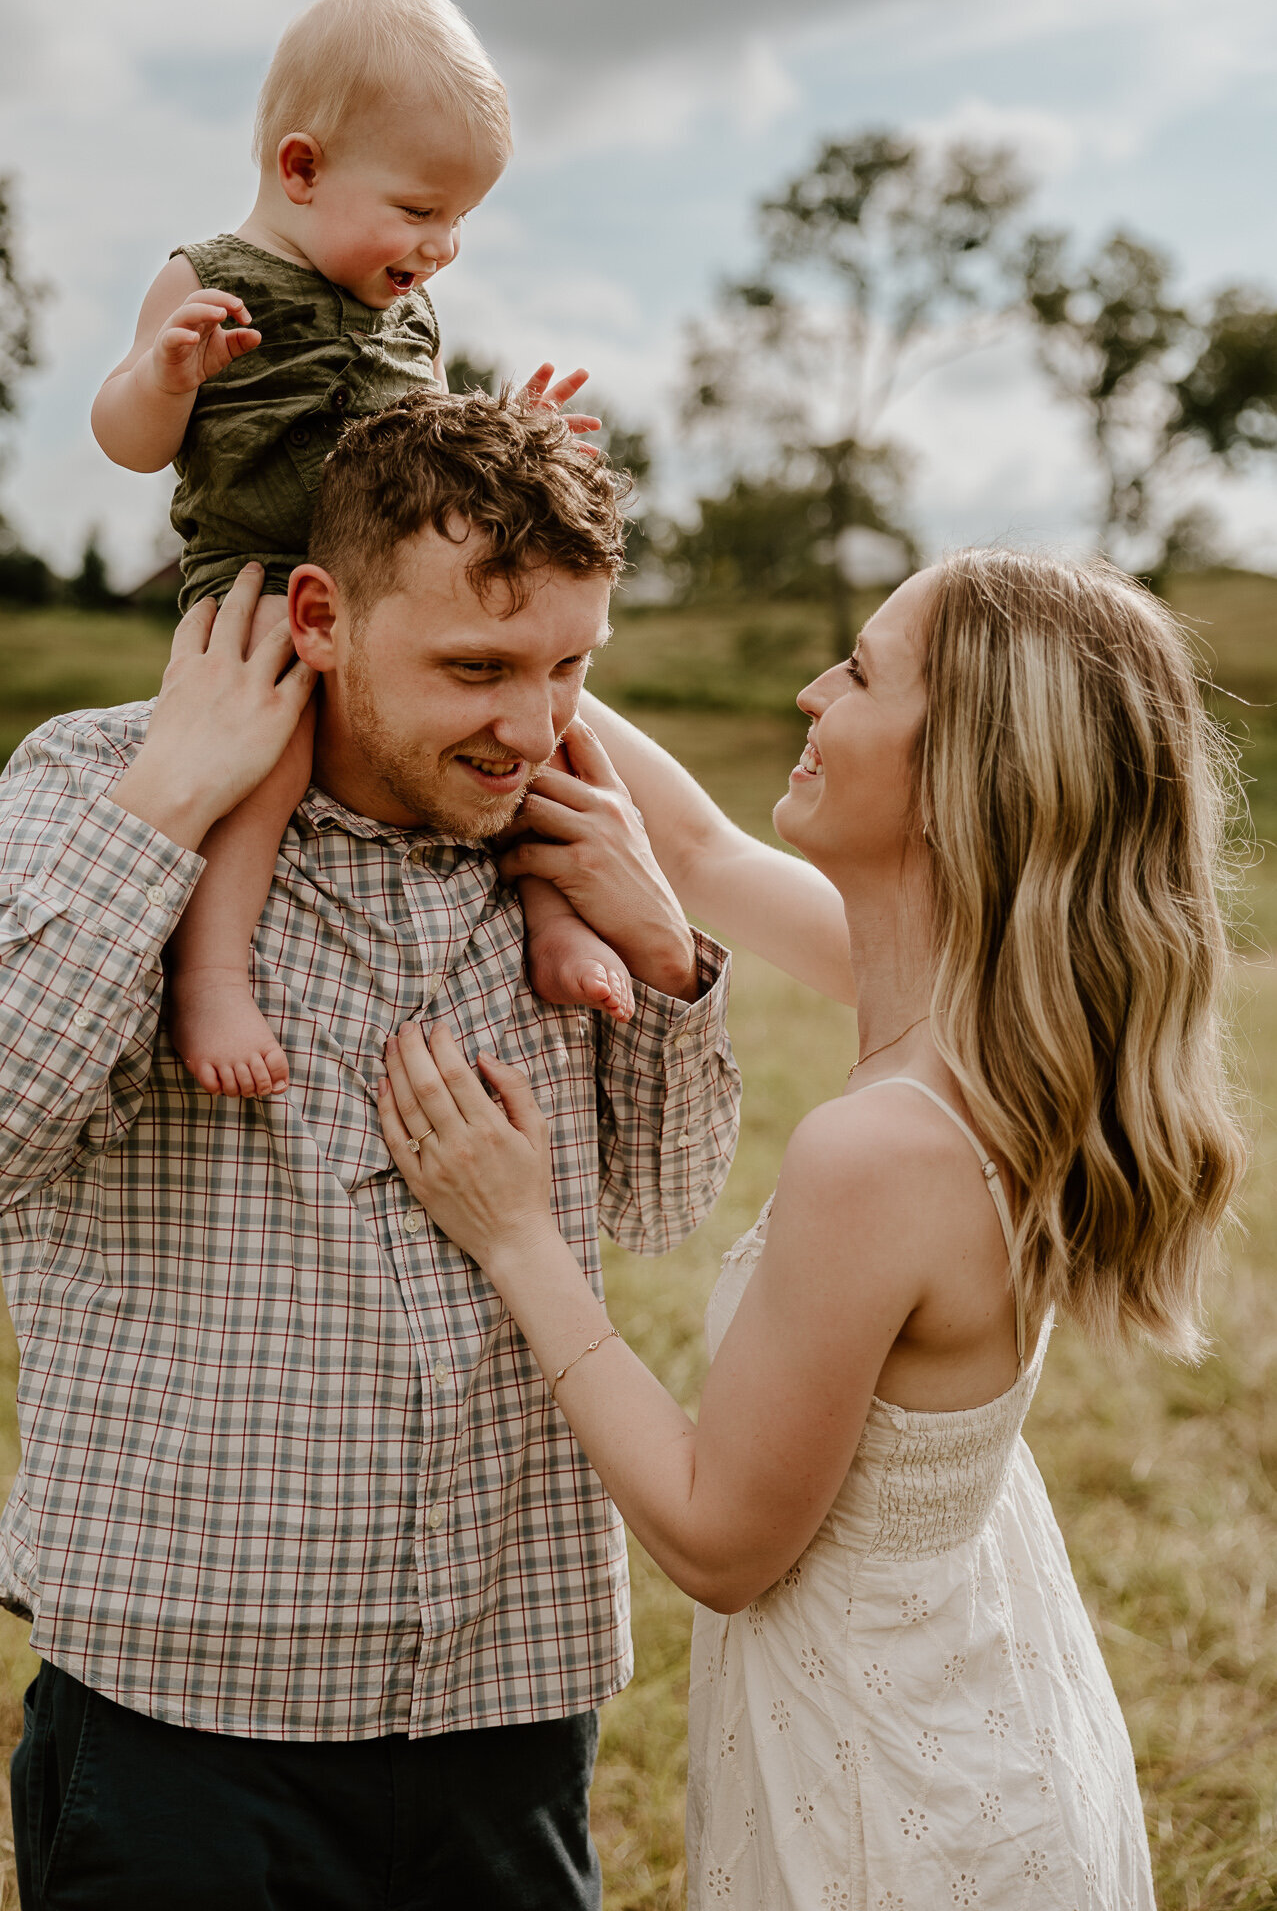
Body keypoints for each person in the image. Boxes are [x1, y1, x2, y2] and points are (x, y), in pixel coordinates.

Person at [0, 390, 751, 1909]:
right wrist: (171, 802)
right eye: (476, 669)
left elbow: (664, 1201)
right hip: (187, 1708)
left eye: (569, 668)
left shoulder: (562, 840)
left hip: (511, 1690)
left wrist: (667, 962)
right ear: (321, 612)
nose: (531, 724)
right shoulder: (100, 783)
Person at [381, 548, 1245, 1909]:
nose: (807, 691)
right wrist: (539, 652)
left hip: (893, 1803)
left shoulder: (884, 1149)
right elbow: (698, 850)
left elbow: (721, 1544)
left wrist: (517, 1237)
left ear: (966, 763)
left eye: (856, 671)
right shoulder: (988, 1020)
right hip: (965, 1708)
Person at [92, 0, 634, 1102]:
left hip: (392, 596)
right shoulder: (210, 280)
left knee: (531, 736)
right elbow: (128, 441)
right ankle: (212, 969)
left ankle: (555, 920)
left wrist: (514, 432)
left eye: (460, 223)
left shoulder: (410, 313)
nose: (441, 248)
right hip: (255, 587)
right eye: (421, 211)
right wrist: (163, 376)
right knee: (269, 751)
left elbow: (433, 458)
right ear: (302, 169)